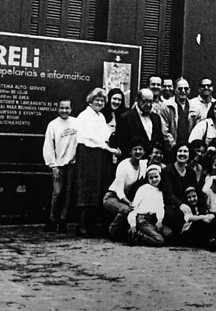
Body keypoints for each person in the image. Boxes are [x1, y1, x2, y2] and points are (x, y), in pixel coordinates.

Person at [74, 88, 119, 237]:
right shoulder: (84, 116)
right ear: (90, 101)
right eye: (97, 100)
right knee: (87, 190)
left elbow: (104, 135)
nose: (99, 103)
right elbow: (90, 138)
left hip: (99, 155)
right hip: (88, 154)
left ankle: (91, 224)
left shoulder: (100, 116)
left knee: (97, 189)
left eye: (102, 100)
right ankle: (81, 226)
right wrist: (109, 149)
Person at [42, 97, 78, 233]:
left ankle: (63, 220)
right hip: (58, 165)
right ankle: (52, 220)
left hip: (72, 165)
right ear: (58, 109)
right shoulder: (53, 125)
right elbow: (48, 146)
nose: (64, 110)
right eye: (62, 108)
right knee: (57, 193)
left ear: (71, 109)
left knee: (68, 194)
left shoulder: (76, 123)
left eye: (67, 108)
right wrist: (53, 166)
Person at [103, 140, 148, 240]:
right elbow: (119, 191)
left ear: (144, 152)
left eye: (140, 149)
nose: (138, 152)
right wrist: (129, 203)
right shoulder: (124, 165)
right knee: (126, 210)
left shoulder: (143, 165)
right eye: (135, 149)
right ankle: (112, 231)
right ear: (130, 152)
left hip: (128, 197)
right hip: (112, 197)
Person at [127, 164, 171, 247]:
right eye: (151, 178)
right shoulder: (143, 189)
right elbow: (134, 207)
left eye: (156, 176)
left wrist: (159, 220)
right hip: (142, 220)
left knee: (169, 234)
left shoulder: (160, 191)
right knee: (159, 241)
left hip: (153, 219)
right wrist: (132, 224)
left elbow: (160, 208)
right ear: (147, 179)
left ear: (160, 176)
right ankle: (138, 235)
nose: (154, 179)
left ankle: (149, 233)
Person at [161, 143, 198, 235]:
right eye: (180, 151)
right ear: (175, 153)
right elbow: (167, 193)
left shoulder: (191, 172)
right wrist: (180, 205)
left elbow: (195, 190)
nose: (182, 153)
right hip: (171, 206)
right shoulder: (167, 171)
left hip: (188, 205)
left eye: (185, 151)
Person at [116, 88, 163, 158]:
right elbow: (121, 143)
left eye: (151, 102)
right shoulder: (126, 117)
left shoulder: (156, 118)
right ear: (137, 100)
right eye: (145, 101)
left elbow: (159, 140)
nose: (148, 104)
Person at [158, 78, 198, 156]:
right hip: (171, 149)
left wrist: (190, 148)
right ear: (175, 90)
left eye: (186, 89)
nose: (183, 91)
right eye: (180, 89)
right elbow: (164, 131)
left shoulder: (194, 107)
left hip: (189, 149)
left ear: (189, 90)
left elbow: (196, 129)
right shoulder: (166, 106)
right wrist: (175, 147)